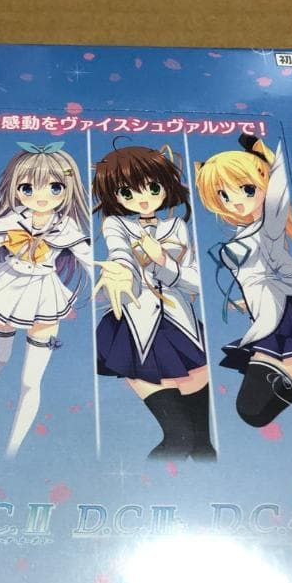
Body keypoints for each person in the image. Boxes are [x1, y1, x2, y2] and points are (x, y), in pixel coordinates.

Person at [195, 134, 292, 446]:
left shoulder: (269, 225)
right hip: (268, 314)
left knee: (253, 408)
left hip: (286, 317)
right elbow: (252, 275)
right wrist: (249, 301)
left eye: (246, 189)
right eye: (224, 195)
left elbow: (280, 191)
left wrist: (265, 153)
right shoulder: (243, 233)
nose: (236, 201)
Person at [92, 143, 216, 461]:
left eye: (152, 187)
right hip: (137, 331)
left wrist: (162, 260)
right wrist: (122, 272)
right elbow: (120, 253)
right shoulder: (117, 224)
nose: (143, 198)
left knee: (202, 444)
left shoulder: (177, 227)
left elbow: (194, 282)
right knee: (178, 438)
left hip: (183, 331)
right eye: (127, 192)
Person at [0, 142, 92, 457]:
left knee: (31, 381)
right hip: (6, 288)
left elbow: (89, 258)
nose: (41, 196)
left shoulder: (66, 226)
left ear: (67, 188)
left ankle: (13, 450)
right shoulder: (12, 218)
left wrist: (113, 275)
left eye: (55, 187)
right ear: (16, 188)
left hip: (44, 296)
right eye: (28, 188)